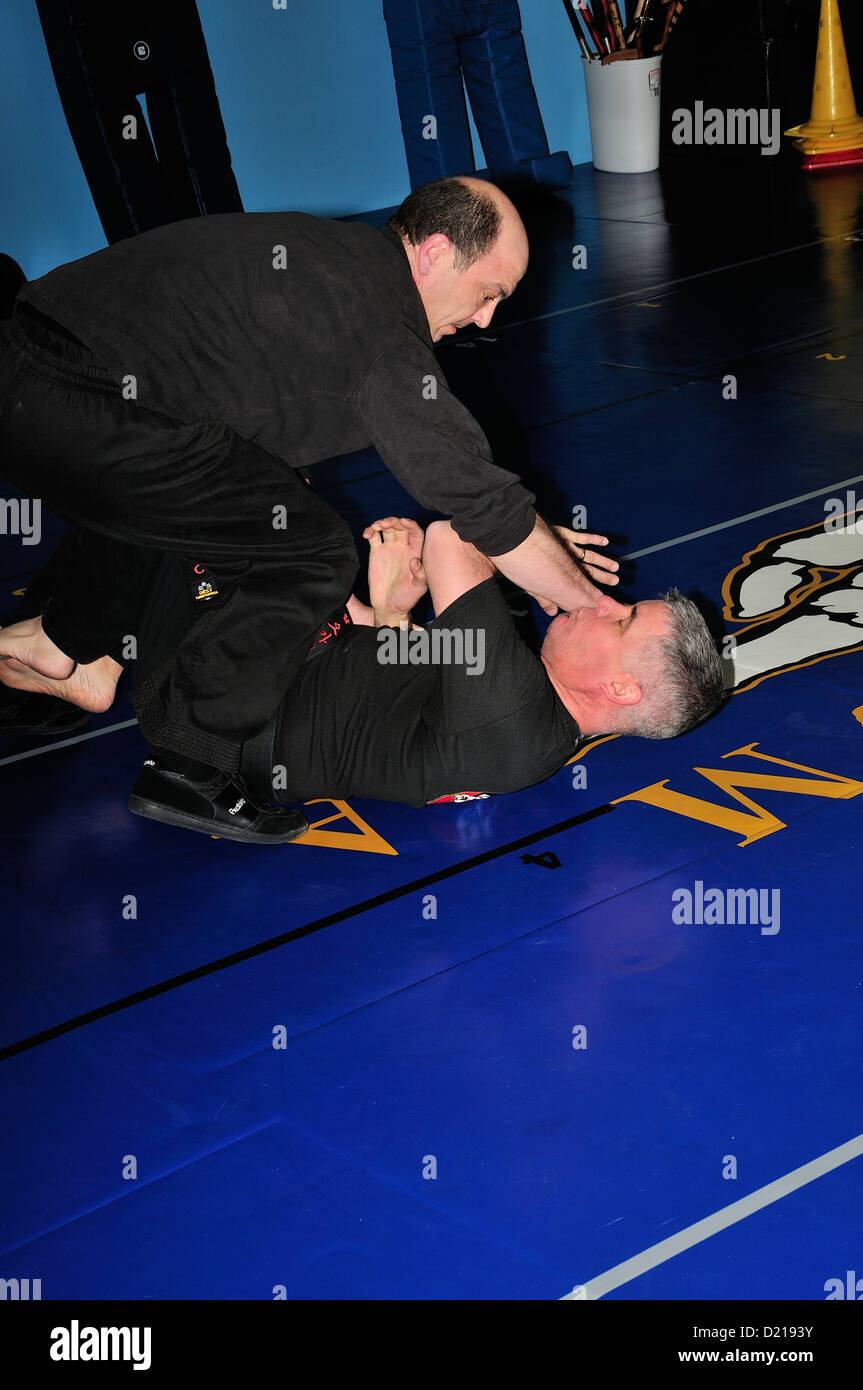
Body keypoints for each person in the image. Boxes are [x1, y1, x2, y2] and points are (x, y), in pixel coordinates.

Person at [0, 176, 604, 838]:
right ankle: (191, 765)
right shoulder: (380, 333)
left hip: (34, 373)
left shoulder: (337, 256)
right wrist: (583, 600)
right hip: (74, 401)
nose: (486, 319)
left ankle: (68, 647)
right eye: (488, 293)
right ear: (434, 252)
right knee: (310, 553)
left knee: (238, 488)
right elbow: (479, 497)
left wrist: (529, 546)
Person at [0, 517, 724, 841]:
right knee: (283, 504)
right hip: (271, 680)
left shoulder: (515, 705)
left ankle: (75, 651)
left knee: (187, 487)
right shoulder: (525, 716)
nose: (601, 605)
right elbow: (380, 696)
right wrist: (387, 607)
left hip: (219, 707)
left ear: (621, 690)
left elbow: (456, 534)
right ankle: (89, 657)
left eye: (621, 620)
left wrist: (542, 553)